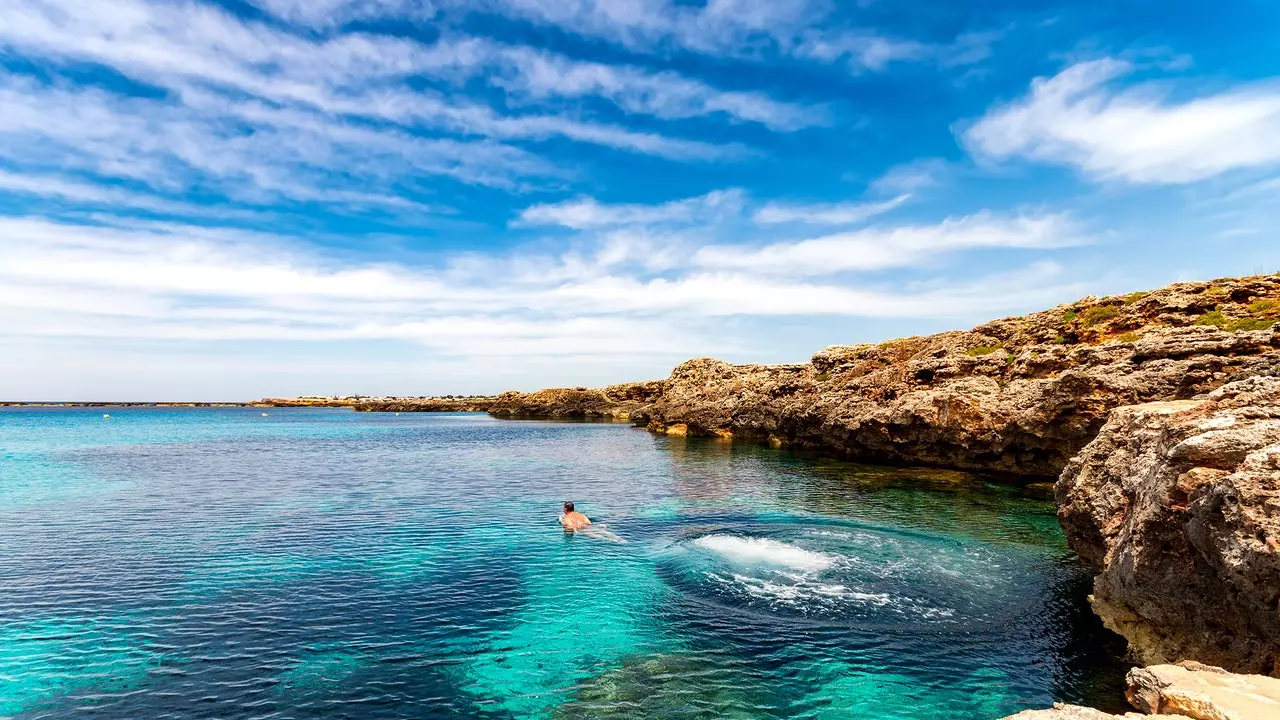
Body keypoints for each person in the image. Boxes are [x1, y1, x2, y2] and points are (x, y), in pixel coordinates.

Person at [559, 501, 626, 543]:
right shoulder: (580, 514)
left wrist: (576, 531)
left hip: (581, 528)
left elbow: (570, 526)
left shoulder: (566, 518)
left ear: (565, 509)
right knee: (604, 532)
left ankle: (613, 541)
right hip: (588, 526)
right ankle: (618, 538)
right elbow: (588, 522)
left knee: (595, 535)